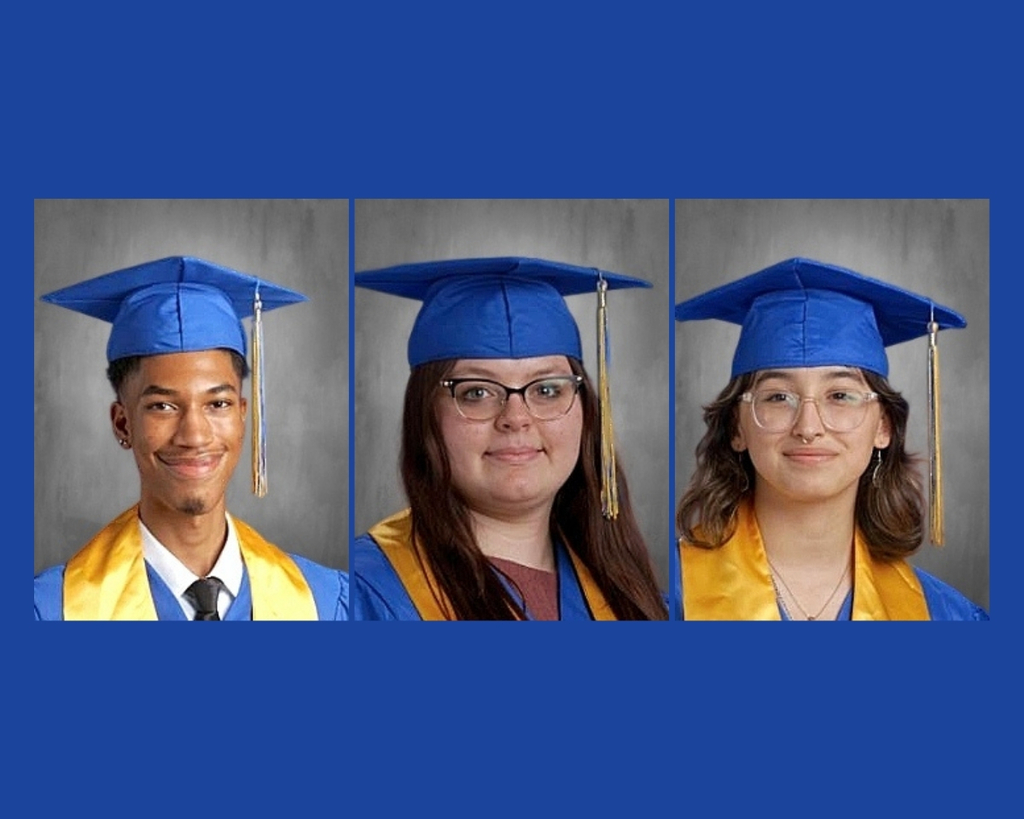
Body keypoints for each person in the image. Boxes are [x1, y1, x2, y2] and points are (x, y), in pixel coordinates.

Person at [352, 257, 667, 620]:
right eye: (476, 392)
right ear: (425, 416)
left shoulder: (635, 597)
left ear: (587, 411)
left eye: (548, 389)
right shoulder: (368, 594)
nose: (516, 418)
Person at [35, 256, 349, 620]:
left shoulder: (323, 604)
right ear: (123, 424)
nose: (195, 435)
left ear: (243, 415)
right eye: (163, 406)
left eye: (218, 403)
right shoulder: (52, 611)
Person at [673, 257, 988, 621]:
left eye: (840, 395)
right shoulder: (666, 602)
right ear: (737, 428)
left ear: (883, 427)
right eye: (778, 397)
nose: (808, 428)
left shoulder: (946, 619)